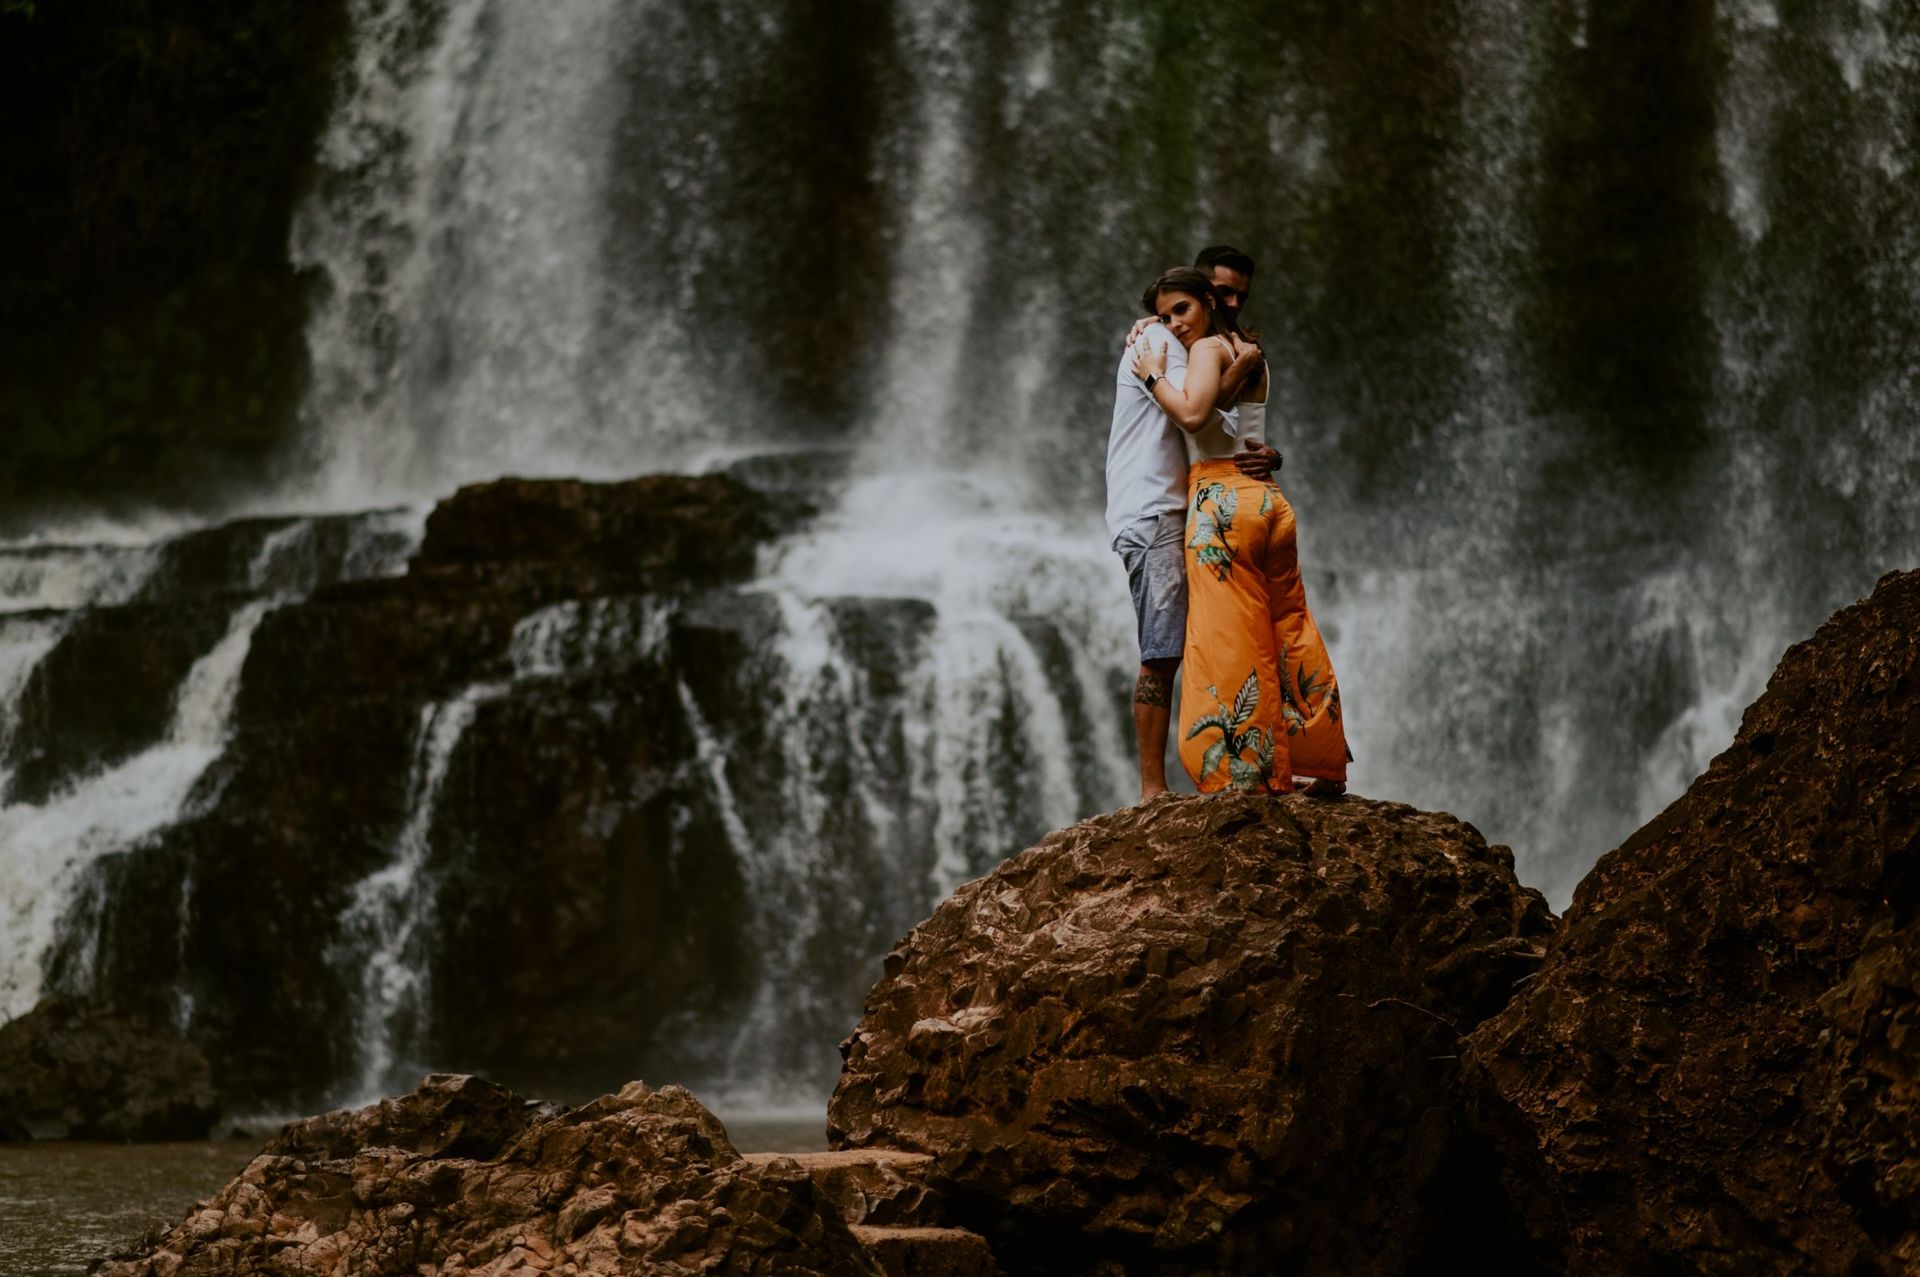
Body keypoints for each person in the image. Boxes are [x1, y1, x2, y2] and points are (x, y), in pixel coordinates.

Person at [1131, 267, 1349, 796]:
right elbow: (1234, 412)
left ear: (1207, 301)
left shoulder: (1206, 349)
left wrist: (1153, 373)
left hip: (1221, 503)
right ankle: (1320, 759)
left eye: (1181, 310)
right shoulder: (1250, 350)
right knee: (1289, 624)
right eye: (1165, 316)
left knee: (1230, 637)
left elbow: (1194, 413)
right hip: (1269, 500)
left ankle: (1247, 774)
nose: (1174, 325)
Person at [1126, 244, 1282, 482]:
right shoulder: (1176, 339)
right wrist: (1156, 325)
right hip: (1217, 490)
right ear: (1205, 293)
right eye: (1225, 292)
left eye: (1242, 296)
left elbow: (1209, 415)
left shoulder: (1234, 347)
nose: (1234, 304)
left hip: (1221, 490)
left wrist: (1275, 457)